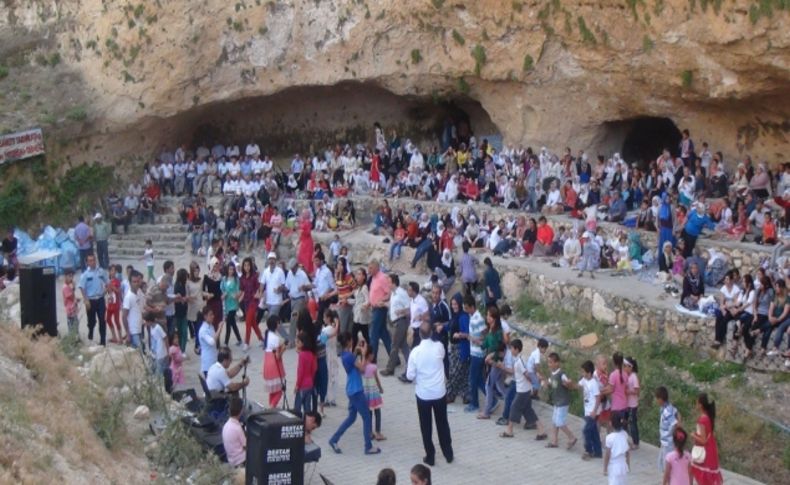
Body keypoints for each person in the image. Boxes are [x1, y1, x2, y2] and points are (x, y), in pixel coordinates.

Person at [406, 321, 454, 466]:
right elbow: (443, 356)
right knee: (443, 423)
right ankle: (448, 453)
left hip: (423, 394)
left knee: (426, 426)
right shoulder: (439, 347)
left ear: (419, 334)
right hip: (439, 392)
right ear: (432, 333)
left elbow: (409, 376)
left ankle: (430, 456)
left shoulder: (415, 352)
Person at [329, 332, 380, 455]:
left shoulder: (345, 355)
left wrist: (357, 349)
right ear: (349, 342)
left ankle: (334, 439)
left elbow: (353, 361)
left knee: (351, 418)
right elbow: (362, 368)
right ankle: (368, 446)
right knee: (366, 417)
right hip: (357, 391)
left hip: (351, 389)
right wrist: (363, 354)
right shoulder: (350, 357)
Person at [500, 339, 547, 440]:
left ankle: (509, 431)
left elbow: (526, 374)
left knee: (513, 407)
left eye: (512, 348)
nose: (510, 350)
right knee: (528, 411)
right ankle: (541, 431)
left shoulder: (520, 361)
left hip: (523, 390)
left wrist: (534, 384)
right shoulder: (519, 359)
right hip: (523, 389)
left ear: (516, 349)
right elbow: (517, 372)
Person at [543, 352, 577, 449]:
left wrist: (568, 383)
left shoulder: (561, 374)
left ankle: (572, 437)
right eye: (548, 362)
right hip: (557, 402)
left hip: (563, 402)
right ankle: (554, 441)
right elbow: (550, 383)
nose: (549, 364)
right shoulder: (553, 374)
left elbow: (568, 383)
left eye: (551, 362)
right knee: (554, 421)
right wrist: (544, 383)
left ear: (557, 363)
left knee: (559, 422)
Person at [690, 393, 723, 485]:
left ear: (701, 405)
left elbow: (703, 440)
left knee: (701, 476)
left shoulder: (702, 420)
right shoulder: (709, 417)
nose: (696, 405)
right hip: (711, 449)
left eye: (697, 403)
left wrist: (693, 435)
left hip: (704, 452)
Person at [78, 254, 109, 345]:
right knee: (91, 321)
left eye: (94, 260)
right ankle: (91, 330)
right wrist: (86, 299)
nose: (92, 262)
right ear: (87, 262)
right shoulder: (85, 275)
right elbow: (82, 287)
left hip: (100, 299)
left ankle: (103, 341)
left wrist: (106, 291)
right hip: (90, 300)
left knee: (102, 320)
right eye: (90, 260)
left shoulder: (101, 271)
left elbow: (107, 281)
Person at [368, 260, 393, 364]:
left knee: (373, 333)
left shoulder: (382, 278)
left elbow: (389, 293)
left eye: (371, 268)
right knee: (384, 334)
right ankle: (394, 358)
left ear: (377, 268)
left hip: (380, 309)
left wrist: (381, 300)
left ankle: (373, 359)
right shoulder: (373, 278)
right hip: (374, 308)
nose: (369, 270)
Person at [446, 293, 470, 404]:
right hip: (454, 348)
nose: (454, 306)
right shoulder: (455, 316)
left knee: (455, 373)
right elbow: (450, 325)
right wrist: (441, 326)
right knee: (461, 373)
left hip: (461, 348)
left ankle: (450, 393)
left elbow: (467, 333)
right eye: (452, 304)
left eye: (456, 304)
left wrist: (459, 335)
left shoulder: (463, 316)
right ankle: (465, 395)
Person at [465, 296, 486, 413]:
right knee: (478, 380)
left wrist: (475, 339)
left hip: (478, 354)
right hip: (474, 352)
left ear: (472, 307)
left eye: (467, 308)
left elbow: (484, 334)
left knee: (473, 379)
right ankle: (492, 400)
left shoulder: (478, 318)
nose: (466, 310)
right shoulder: (472, 317)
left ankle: (474, 403)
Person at [579, 360, 602, 460]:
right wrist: (568, 384)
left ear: (589, 373)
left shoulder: (593, 383)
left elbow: (598, 398)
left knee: (586, 431)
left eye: (583, 372)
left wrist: (594, 411)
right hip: (587, 410)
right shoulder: (584, 380)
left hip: (592, 412)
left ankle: (589, 450)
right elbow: (577, 385)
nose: (582, 374)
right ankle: (598, 452)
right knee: (593, 432)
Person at [262, 315, 286, 408]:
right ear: (276, 324)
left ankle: (271, 406)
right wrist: (284, 348)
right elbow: (278, 356)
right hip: (274, 365)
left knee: (272, 390)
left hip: (267, 362)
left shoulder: (268, 335)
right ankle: (272, 407)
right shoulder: (276, 338)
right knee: (279, 390)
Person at [363, 347, 386, 441]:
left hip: (366, 393)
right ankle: (378, 432)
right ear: (370, 355)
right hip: (374, 393)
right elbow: (377, 379)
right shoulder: (373, 367)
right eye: (372, 354)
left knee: (369, 413)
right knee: (377, 412)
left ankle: (369, 432)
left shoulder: (362, 367)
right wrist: (380, 388)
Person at [656, 386, 681, 472]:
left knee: (667, 467)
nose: (656, 401)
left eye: (657, 398)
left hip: (668, 443)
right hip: (665, 442)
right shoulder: (667, 408)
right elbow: (677, 413)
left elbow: (675, 424)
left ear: (661, 399)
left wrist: (673, 434)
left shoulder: (667, 411)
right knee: (663, 464)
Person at [294, 331, 317, 417]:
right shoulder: (311, 354)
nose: (296, 343)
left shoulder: (301, 355)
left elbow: (300, 372)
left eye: (298, 342)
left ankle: (298, 424)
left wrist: (297, 385)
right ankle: (308, 423)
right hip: (310, 383)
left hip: (302, 385)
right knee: (307, 407)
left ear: (303, 343)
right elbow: (314, 369)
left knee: (297, 407)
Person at [604, 413, 631, 485]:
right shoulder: (625, 434)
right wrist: (628, 465)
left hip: (614, 466)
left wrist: (605, 468)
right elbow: (627, 452)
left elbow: (607, 455)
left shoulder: (609, 438)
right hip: (623, 465)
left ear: (610, 423)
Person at [221, 263, 243, 346]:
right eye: (230, 269)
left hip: (234, 304)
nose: (231, 271)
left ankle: (226, 342)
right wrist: (224, 295)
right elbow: (222, 290)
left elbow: (239, 291)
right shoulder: (224, 279)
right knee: (233, 323)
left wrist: (236, 295)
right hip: (227, 304)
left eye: (233, 269)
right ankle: (239, 339)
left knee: (229, 322)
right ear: (227, 269)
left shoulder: (236, 279)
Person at [122, 271, 145, 349]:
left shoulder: (140, 292)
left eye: (138, 281)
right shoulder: (128, 297)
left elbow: (143, 307)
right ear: (130, 283)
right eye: (134, 282)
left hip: (140, 328)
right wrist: (128, 333)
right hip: (133, 331)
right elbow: (124, 317)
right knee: (140, 353)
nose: (136, 284)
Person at [199, 307, 224, 377]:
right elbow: (212, 342)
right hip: (207, 361)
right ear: (205, 316)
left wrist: (220, 329)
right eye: (210, 315)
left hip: (213, 358)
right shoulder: (203, 330)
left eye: (212, 314)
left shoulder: (211, 326)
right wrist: (219, 328)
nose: (213, 316)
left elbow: (215, 337)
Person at [222, 397, 246, 467]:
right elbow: (246, 446)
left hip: (231, 460)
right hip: (240, 460)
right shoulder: (237, 428)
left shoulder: (226, 425)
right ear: (241, 411)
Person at [63, 269, 80, 336]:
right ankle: (73, 340)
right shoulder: (65, 287)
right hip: (70, 310)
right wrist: (73, 288)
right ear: (65, 276)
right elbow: (69, 296)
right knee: (73, 326)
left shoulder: (69, 286)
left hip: (73, 309)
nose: (71, 278)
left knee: (75, 324)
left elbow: (72, 297)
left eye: (72, 276)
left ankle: (75, 338)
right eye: (69, 276)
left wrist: (76, 300)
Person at [297, 210, 315, 275]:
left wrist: (302, 231)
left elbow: (308, 233)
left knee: (307, 258)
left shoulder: (308, 222)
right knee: (301, 257)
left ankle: (307, 272)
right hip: (304, 242)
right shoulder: (303, 222)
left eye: (303, 214)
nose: (302, 215)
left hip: (307, 243)